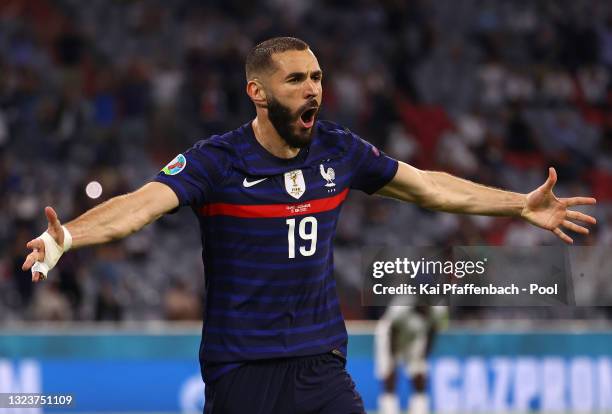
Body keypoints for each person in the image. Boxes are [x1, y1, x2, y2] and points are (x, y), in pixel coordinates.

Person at [22, 37, 596, 414]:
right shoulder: (217, 162)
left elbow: (428, 185)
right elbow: (139, 206)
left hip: (321, 366)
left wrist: (518, 203)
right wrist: (66, 235)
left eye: (317, 76)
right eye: (296, 79)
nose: (313, 89)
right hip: (241, 375)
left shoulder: (339, 150)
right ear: (258, 91)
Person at [375, 304, 448, 414]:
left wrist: (423, 356)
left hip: (416, 336)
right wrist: (392, 360)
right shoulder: (403, 304)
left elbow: (433, 330)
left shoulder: (439, 308)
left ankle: (419, 409)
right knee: (389, 373)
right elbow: (393, 330)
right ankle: (389, 410)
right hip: (389, 335)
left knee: (420, 373)